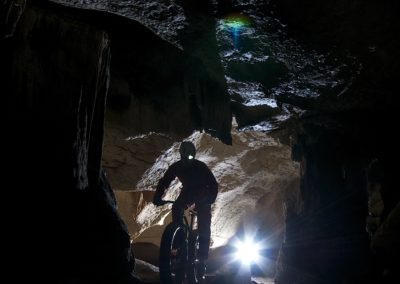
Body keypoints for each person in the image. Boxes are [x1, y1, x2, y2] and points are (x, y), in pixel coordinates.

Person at [153, 141, 218, 278]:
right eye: (185, 157)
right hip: (188, 191)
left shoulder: (200, 167)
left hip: (203, 192)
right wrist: (158, 196)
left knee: (204, 223)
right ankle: (179, 238)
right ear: (181, 155)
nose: (188, 160)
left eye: (191, 157)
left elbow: (213, 185)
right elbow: (165, 181)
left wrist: (209, 199)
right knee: (177, 206)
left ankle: (202, 259)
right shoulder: (176, 167)